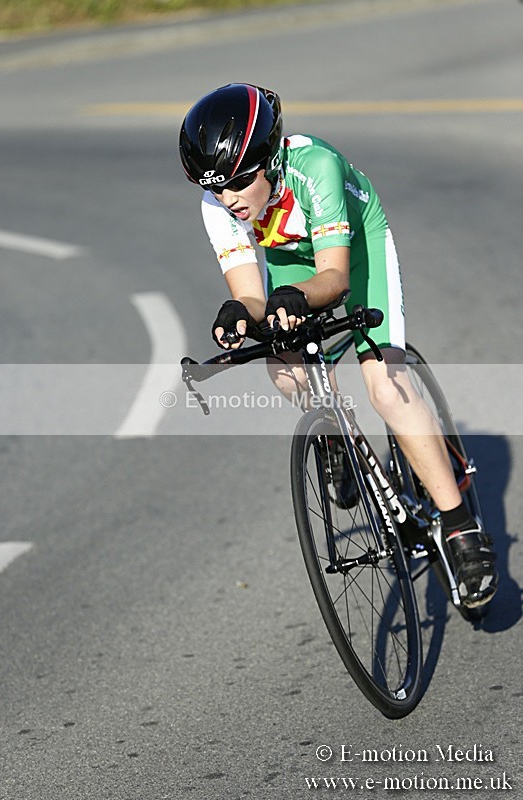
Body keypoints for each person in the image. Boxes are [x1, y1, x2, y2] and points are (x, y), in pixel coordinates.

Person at [179, 82, 498, 608]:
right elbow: (251, 295)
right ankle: (335, 438)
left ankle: (459, 526)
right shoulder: (218, 204)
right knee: (285, 371)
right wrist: (241, 313)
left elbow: (334, 279)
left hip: (353, 249)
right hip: (294, 261)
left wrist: (293, 299)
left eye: (237, 181)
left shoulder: (315, 167)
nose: (227, 198)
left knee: (386, 387)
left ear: (269, 159)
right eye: (213, 187)